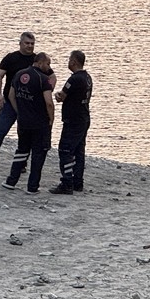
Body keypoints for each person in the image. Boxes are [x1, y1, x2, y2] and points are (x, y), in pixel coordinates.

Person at [0, 31, 55, 170]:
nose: (29, 46)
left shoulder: (37, 60)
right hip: (9, 103)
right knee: (0, 132)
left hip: (29, 106)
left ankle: (22, 163)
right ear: (20, 43)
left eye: (32, 44)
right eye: (27, 43)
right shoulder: (11, 58)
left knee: (25, 136)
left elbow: (52, 77)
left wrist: (46, 93)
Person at [2, 52, 55, 194]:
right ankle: (32, 187)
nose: (49, 67)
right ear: (40, 62)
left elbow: (11, 95)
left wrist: (19, 111)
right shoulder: (43, 79)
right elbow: (49, 102)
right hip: (39, 123)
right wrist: (51, 119)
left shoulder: (19, 74)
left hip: (23, 121)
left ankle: (11, 181)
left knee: (22, 151)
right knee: (39, 154)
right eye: (48, 64)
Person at [49, 50, 93, 195]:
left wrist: (56, 95)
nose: (68, 62)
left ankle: (67, 182)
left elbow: (62, 96)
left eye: (69, 59)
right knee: (79, 150)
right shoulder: (87, 78)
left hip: (73, 119)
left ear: (74, 61)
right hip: (84, 117)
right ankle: (77, 182)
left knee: (65, 149)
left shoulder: (74, 79)